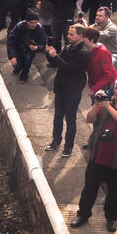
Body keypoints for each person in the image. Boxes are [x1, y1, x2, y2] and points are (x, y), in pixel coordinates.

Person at [72, 75, 117, 231]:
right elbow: (89, 119)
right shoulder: (105, 103)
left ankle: (111, 219)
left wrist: (107, 107)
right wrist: (96, 104)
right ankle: (83, 214)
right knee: (89, 188)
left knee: (115, 193)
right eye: (116, 88)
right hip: (98, 156)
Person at [44, 24, 90, 155]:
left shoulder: (83, 53)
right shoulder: (69, 47)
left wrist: (55, 57)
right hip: (61, 87)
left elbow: (68, 68)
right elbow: (56, 64)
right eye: (68, 33)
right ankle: (56, 141)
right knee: (58, 116)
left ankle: (68, 146)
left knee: (70, 119)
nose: (68, 36)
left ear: (80, 36)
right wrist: (51, 55)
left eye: (71, 34)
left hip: (72, 90)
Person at [5, 11, 45, 82]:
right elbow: (11, 41)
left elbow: (43, 43)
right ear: (27, 22)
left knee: (27, 59)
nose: (33, 25)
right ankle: (18, 68)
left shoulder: (40, 28)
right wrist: (12, 56)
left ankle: (24, 75)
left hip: (29, 49)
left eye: (35, 22)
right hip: (18, 47)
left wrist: (37, 47)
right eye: (31, 22)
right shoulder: (19, 26)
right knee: (17, 64)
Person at [80, 24, 117, 98]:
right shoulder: (88, 50)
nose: (82, 40)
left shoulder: (103, 52)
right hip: (95, 84)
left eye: (84, 38)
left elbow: (107, 75)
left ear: (92, 40)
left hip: (105, 86)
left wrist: (95, 89)